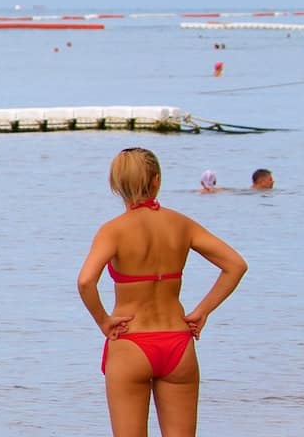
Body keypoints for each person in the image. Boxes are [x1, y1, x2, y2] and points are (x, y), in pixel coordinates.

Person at [77, 147, 247, 437]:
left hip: (131, 343)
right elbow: (235, 265)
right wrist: (202, 311)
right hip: (178, 343)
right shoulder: (181, 224)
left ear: (115, 184)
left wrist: (103, 321)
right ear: (157, 180)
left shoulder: (112, 231)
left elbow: (85, 281)